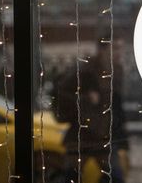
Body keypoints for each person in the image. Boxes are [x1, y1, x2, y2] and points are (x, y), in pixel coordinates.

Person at [53, 40, 129, 183]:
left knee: (114, 175)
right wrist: (86, 98)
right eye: (115, 48)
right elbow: (62, 93)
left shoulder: (117, 70)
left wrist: (119, 130)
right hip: (83, 133)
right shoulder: (86, 69)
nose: (119, 53)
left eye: (120, 49)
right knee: (72, 175)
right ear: (103, 50)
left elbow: (116, 104)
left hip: (103, 134)